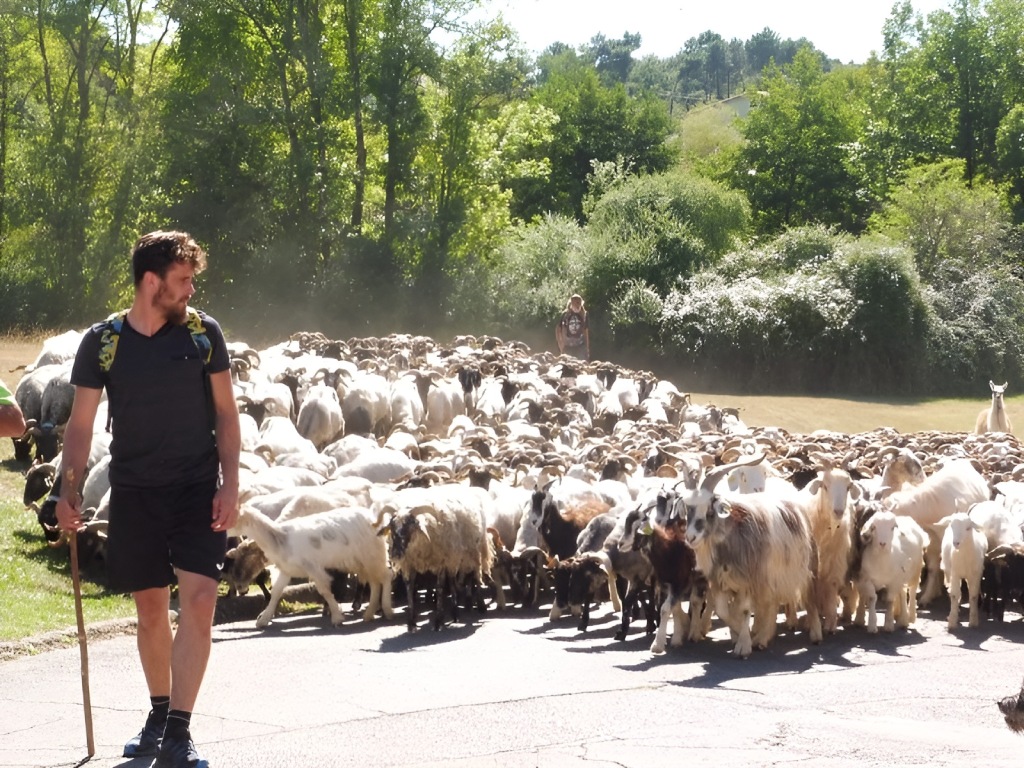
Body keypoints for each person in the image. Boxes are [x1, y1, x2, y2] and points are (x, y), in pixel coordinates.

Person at [56, 230, 240, 768]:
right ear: (151, 281)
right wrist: (68, 492)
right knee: (151, 610)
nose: (190, 291)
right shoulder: (104, 342)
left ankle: (180, 731)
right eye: (182, 281)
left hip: (196, 488)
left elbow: (226, 414)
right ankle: (159, 712)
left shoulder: (205, 334)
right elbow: (80, 425)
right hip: (134, 490)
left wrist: (231, 483)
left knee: (201, 599)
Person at [555, 293, 590, 360]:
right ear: (571, 303)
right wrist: (560, 344)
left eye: (579, 303)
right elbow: (558, 329)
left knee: (581, 366)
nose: (578, 305)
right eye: (576, 303)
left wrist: (587, 348)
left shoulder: (584, 315)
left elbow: (586, 331)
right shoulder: (565, 314)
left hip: (580, 346)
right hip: (568, 346)